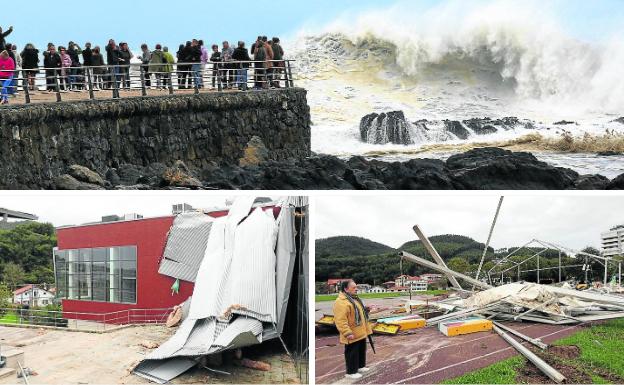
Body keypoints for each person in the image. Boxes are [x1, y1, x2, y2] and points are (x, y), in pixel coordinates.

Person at [333, 280, 373, 380]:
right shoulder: (341, 302)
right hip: (352, 333)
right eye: (354, 288)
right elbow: (340, 320)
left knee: (361, 350)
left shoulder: (354, 299)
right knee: (352, 352)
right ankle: (351, 372)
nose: (356, 289)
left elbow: (357, 312)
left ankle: (360, 366)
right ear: (346, 289)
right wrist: (347, 332)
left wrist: (366, 309)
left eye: (356, 287)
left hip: (360, 331)